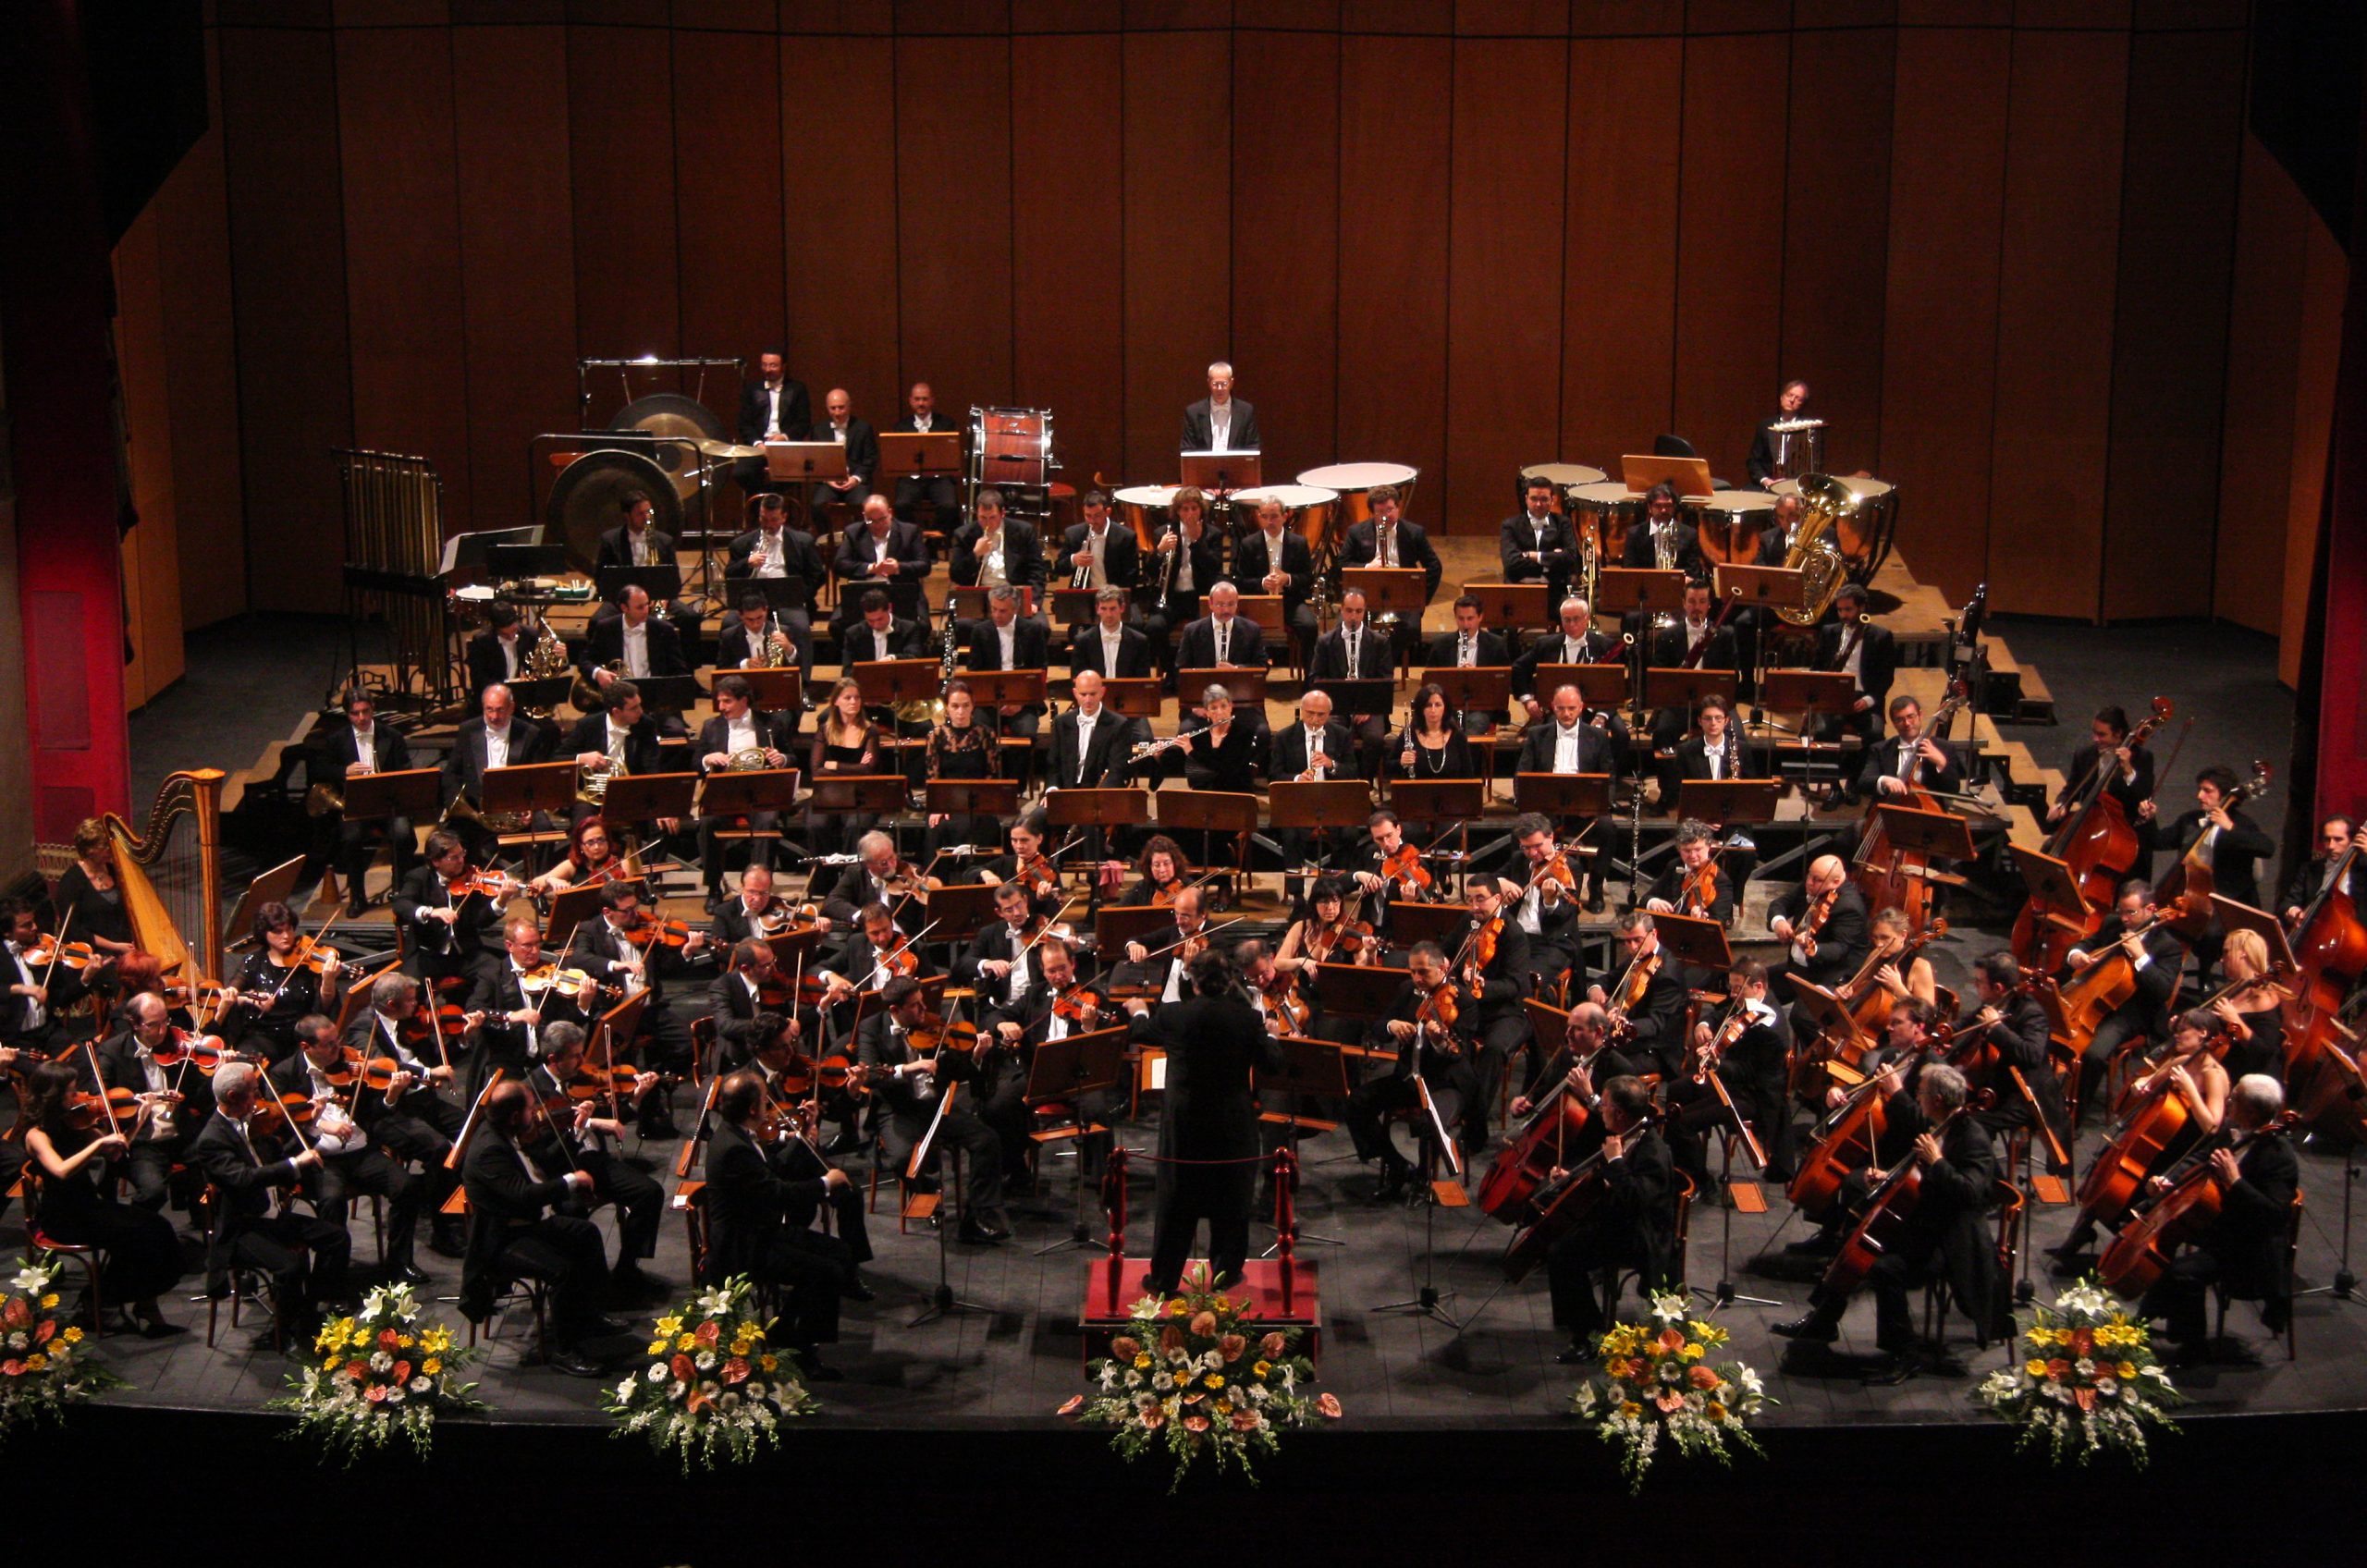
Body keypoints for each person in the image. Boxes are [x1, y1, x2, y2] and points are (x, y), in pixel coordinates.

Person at [1773, 1061, 2005, 1379]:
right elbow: (1921, 1178)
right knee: (1856, 1234)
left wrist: (1937, 1162)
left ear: (1937, 1099)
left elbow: (1970, 1194)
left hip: (1950, 1242)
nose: (1917, 1097)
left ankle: (1904, 1353)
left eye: (1921, 1093)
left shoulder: (1973, 1138)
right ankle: (1823, 1321)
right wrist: (1888, 1177)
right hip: (1924, 1225)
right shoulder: (1940, 1125)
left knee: (1885, 1268)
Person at [1123, 948, 1283, 1292]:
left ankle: (1164, 1278)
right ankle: (1226, 1274)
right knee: (1231, 1198)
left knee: (1176, 1201)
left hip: (1184, 1127)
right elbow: (1271, 1064)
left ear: (1194, 982)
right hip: (1232, 1125)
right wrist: (1272, 1033)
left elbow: (1141, 1033)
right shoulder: (1247, 1019)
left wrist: (1139, 1011)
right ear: (1228, 983)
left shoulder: (1174, 1016)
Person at [702, 1070, 864, 1380]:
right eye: (766, 1100)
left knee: (841, 1252)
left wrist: (803, 1135)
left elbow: (773, 1170)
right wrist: (825, 1183)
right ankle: (803, 1352)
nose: (770, 1106)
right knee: (825, 1271)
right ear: (753, 1108)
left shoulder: (738, 1133)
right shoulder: (734, 1148)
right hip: (742, 1245)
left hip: (762, 1230)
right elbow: (778, 1194)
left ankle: (786, 1328)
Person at [2137, 1073, 2299, 1366]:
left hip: (2249, 1246)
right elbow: (2198, 1159)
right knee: (2162, 1246)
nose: (2228, 1100)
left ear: (2252, 1112)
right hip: (2221, 1224)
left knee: (2182, 1273)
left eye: (2234, 1098)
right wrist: (2168, 1182)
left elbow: (2273, 1216)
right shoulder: (2233, 1130)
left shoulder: (2279, 1156)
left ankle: (2193, 1348)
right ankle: (2149, 1322)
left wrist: (2235, 1182)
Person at [457, 1078, 613, 1377]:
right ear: (515, 1116)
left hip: (528, 1222)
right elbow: (524, 1195)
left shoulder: (506, 1133)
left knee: (587, 1234)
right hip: (503, 1239)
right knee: (563, 1270)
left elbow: (543, 1163)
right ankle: (564, 1351)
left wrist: (575, 1132)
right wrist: (572, 1180)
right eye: (531, 1109)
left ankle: (590, 1315)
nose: (536, 1113)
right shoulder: (490, 1150)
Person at [19, 1060, 186, 1335]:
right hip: (63, 1217)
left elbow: (116, 1152)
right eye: (72, 1092)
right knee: (136, 1237)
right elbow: (61, 1170)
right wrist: (97, 1143)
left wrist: (141, 1117)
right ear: (53, 1095)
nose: (79, 1097)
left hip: (89, 1205)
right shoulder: (36, 1135)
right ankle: (103, 1299)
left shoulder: (77, 1122)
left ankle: (140, 1301)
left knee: (158, 1227)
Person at [193, 1061, 352, 1345]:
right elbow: (244, 1179)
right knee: (290, 1267)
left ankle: (310, 1308)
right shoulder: (212, 1139)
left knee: (337, 1238)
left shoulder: (251, 1122)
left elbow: (281, 1158)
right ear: (233, 1097)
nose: (259, 1097)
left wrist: (309, 1126)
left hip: (273, 1216)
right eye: (253, 1092)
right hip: (243, 1228)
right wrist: (295, 1164)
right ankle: (282, 1330)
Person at [268, 1014, 428, 1283]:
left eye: (338, 1040)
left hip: (360, 1151)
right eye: (329, 1044)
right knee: (332, 1201)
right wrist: (319, 1124)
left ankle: (400, 1263)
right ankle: (332, 1280)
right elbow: (280, 1120)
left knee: (407, 1186)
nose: (338, 1049)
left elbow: (374, 1112)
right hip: (321, 1159)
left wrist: (390, 1096)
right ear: (306, 1047)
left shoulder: (351, 1065)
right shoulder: (283, 1073)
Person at [519, 1021, 668, 1305]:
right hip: (563, 1168)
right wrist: (579, 1127)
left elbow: (613, 1118)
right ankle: (587, 1290)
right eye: (575, 1055)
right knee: (573, 1214)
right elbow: (543, 1153)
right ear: (554, 1058)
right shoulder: (532, 1092)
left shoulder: (579, 1080)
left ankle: (627, 1269)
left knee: (650, 1192)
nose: (582, 1062)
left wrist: (636, 1098)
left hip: (594, 1159)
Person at [856, 975, 1012, 1243]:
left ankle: (980, 1214)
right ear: (895, 1010)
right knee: (902, 1159)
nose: (924, 1009)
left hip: (936, 1105)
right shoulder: (872, 1028)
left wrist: (975, 1056)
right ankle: (927, 1190)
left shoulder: (934, 1026)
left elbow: (957, 1071)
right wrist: (907, 1068)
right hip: (898, 1109)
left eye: (922, 1002)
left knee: (987, 1140)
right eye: (915, 1005)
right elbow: (869, 1075)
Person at [1546, 1073, 1676, 1361]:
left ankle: (1589, 1338)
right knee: (1559, 1239)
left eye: (1603, 1105)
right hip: (1620, 1220)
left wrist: (1615, 1161)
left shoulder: (1653, 1151)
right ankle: (1573, 1318)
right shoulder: (1630, 1134)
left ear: (1618, 1113)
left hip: (1641, 1236)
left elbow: (1636, 1199)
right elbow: (1608, 1181)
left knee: (1563, 1254)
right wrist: (1571, 1178)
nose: (1599, 1109)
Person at [344, 971, 471, 1256]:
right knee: (440, 1150)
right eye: (411, 1000)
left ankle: (442, 1194)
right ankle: (443, 1228)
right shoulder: (363, 1028)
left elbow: (439, 1060)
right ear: (392, 1004)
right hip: (389, 1109)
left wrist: (462, 1039)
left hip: (421, 1100)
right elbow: (381, 1067)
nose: (417, 1005)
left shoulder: (409, 1022)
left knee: (472, 1130)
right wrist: (427, 1073)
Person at [569, 883, 707, 1137]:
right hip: (616, 1011)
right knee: (620, 1064)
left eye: (635, 907)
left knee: (690, 1043)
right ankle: (635, 1112)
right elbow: (579, 958)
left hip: (649, 1007)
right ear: (608, 912)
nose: (635, 914)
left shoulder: (645, 926)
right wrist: (616, 965)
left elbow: (666, 967)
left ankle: (659, 1082)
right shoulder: (591, 929)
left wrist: (687, 951)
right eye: (627, 911)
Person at [1345, 942, 1470, 1201]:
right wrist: (1391, 1025)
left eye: (1423, 972)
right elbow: (1379, 1026)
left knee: (1429, 1121)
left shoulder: (1464, 1001)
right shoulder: (1407, 990)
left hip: (1445, 1083)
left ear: (1443, 968)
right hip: (1409, 1078)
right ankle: (1398, 1166)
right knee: (1356, 1102)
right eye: (1413, 971)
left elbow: (1460, 1054)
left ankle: (1424, 1180)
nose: (1417, 978)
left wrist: (1440, 1042)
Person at [2062, 879, 2187, 1125]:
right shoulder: (2113, 924)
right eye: (2121, 911)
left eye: (2131, 912)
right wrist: (2076, 956)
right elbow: (2085, 944)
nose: (2125, 919)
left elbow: (2162, 990)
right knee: (2053, 1022)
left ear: (2150, 909)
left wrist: (2141, 957)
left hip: (2130, 1013)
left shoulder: (2167, 946)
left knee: (2094, 1054)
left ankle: (2074, 1119)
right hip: (2094, 997)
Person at [1668, 962, 1790, 1186]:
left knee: (1682, 1123)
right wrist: (1703, 1025)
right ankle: (1676, 1165)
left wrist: (1717, 1063)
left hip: (1753, 1096)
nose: (1732, 994)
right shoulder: (1749, 1003)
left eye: (1737, 988)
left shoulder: (1769, 1028)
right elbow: (1721, 1014)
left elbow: (1749, 1073)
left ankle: (1699, 1182)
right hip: (1730, 1081)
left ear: (1758, 986)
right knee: (1676, 1089)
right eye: (1731, 987)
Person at [464, 917, 603, 1094]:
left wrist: (583, 1004)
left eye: (538, 944)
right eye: (527, 946)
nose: (535, 951)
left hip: (543, 1062)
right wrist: (512, 1016)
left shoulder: (552, 973)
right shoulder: (493, 974)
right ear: (509, 945)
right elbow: (475, 1009)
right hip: (507, 1059)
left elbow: (565, 1023)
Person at [310, 690, 415, 916]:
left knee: (404, 835)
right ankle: (358, 897)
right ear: (347, 714)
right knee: (351, 839)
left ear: (373, 709)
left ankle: (400, 888)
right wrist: (344, 771)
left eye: (366, 711)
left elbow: (406, 769)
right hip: (355, 806)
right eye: (355, 713)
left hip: (388, 804)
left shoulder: (392, 736)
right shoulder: (337, 740)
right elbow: (319, 769)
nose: (361, 718)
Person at [1955, 949, 2069, 1159]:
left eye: (1979, 981)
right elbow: (1965, 1024)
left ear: (1998, 988)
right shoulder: (1993, 1002)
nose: (1975, 985)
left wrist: (1997, 1028)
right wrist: (1943, 1036)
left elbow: (2031, 1055)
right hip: (1991, 1084)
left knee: (1969, 1123)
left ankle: (1981, 1168)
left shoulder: (2032, 1013)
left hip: (2022, 1095)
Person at [694, 673, 792, 903]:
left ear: (744, 700)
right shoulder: (711, 726)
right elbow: (696, 761)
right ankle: (714, 888)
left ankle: (760, 889)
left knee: (768, 822)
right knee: (707, 823)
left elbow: (792, 756)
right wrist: (708, 759)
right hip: (725, 795)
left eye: (727, 701)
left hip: (761, 794)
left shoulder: (770, 724)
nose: (721, 707)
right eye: (719, 701)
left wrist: (782, 759)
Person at [722, 494, 825, 680]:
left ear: (784, 517)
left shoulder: (803, 541)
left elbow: (817, 574)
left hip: (788, 601)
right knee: (729, 623)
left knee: (800, 627)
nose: (768, 525)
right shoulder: (741, 544)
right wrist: (747, 563)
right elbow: (729, 574)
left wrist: (801, 595)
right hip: (752, 601)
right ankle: (733, 679)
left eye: (774, 520)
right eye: (764, 519)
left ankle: (802, 684)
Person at [224, 901, 341, 1063]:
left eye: (289, 929)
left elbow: (324, 1008)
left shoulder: (308, 963)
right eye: (278, 931)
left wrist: (328, 980)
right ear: (264, 933)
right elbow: (230, 996)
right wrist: (250, 997)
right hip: (262, 1035)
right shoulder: (253, 961)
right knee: (245, 1062)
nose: (286, 936)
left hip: (300, 1036)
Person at [439, 683, 553, 849]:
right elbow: (451, 774)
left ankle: (540, 868)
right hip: (476, 807)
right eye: (489, 709)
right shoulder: (468, 730)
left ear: (511, 708)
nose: (494, 716)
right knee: (450, 839)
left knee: (545, 829)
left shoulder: (530, 733)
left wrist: (530, 807)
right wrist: (461, 806)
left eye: (500, 710)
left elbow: (538, 777)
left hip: (516, 806)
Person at [395, 830, 509, 995]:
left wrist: (501, 901)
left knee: (497, 972)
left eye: (462, 854)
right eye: (454, 857)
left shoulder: (471, 878)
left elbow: (480, 921)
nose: (461, 860)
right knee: (406, 988)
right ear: (436, 861)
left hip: (464, 954)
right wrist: (430, 912)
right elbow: (401, 905)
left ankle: (479, 1008)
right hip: (428, 955)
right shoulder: (419, 877)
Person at [561, 678, 676, 834]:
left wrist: (660, 806)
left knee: (663, 826)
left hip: (632, 794)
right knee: (583, 823)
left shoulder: (646, 724)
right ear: (616, 711)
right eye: (634, 708)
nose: (641, 711)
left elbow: (652, 767)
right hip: (593, 799)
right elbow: (557, 757)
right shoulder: (588, 725)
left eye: (639, 704)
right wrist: (582, 758)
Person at [1338, 484, 1441, 655]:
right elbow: (1341, 564)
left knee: (1410, 629)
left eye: (1390, 509)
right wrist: (1367, 567)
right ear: (1372, 513)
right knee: (1344, 626)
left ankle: (1386, 663)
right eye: (1380, 512)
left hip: (1404, 597)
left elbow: (1434, 567)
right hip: (1368, 596)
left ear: (1398, 508)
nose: (1386, 516)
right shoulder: (1356, 532)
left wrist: (1420, 599)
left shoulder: (1414, 532)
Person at [1587, 912, 1688, 1078]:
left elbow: (1655, 1024)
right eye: (1627, 941)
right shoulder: (1637, 957)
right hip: (1629, 1037)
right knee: (1582, 1046)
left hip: (1654, 1049)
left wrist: (1623, 1024)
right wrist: (1595, 989)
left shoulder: (1668, 974)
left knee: (1601, 1063)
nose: (1633, 947)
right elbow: (1610, 978)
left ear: (1653, 934)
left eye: (1638, 940)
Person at [1306, 587, 1393, 775]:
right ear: (1341, 610)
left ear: (1365, 610)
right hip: (1337, 706)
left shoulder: (1379, 642)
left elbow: (1385, 679)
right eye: (1349, 611)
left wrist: (1367, 707)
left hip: (1369, 707)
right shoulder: (1325, 642)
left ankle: (1364, 783)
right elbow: (1315, 678)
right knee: (1331, 734)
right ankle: (1339, 780)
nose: (1354, 616)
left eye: (1359, 611)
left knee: (1375, 738)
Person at [1269, 688, 1358, 866]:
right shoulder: (1284, 737)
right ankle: (1296, 884)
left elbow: (1353, 771)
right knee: (1291, 836)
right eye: (1310, 714)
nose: (1315, 719)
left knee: (1350, 834)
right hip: (1298, 803)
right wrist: (1297, 779)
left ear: (1329, 713)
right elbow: (1274, 775)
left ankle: (1337, 880)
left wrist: (1331, 764)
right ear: (1302, 710)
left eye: (1321, 715)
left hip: (1332, 802)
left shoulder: (1342, 735)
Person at [1137, 486, 1225, 665]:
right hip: (1171, 598)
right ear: (1177, 511)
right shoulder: (1163, 533)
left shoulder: (1212, 534)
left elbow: (1214, 568)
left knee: (1207, 629)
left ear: (1201, 509)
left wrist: (1197, 542)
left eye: (1194, 508)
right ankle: (1171, 669)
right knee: (1154, 627)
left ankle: (1199, 671)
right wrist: (1160, 551)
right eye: (1185, 509)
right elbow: (1150, 572)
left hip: (1200, 597)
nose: (1190, 513)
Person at [806, 679, 891, 856]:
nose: (854, 702)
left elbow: (869, 770)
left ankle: (851, 869)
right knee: (816, 825)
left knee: (855, 825)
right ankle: (824, 870)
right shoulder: (824, 730)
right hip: (830, 792)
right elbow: (816, 771)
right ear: (836, 701)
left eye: (857, 697)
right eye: (848, 698)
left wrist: (834, 765)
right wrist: (856, 767)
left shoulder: (870, 731)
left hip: (861, 793)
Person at [921, 680, 1005, 859]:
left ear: (973, 706)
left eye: (966, 705)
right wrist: (939, 806)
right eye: (955, 706)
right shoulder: (935, 735)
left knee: (983, 824)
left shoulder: (986, 733)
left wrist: (981, 802)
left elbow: (992, 774)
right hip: (946, 800)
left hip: (977, 800)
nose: (961, 712)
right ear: (947, 707)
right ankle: (937, 876)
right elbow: (932, 777)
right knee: (937, 826)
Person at [1505, 813, 1585, 1001]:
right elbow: (1489, 881)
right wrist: (1501, 882)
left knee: (1527, 983)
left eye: (1537, 846)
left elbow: (1566, 914)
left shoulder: (1570, 867)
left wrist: (1551, 902)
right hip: (1517, 937)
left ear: (1551, 837)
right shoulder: (1519, 860)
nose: (1532, 853)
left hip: (1551, 942)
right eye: (1526, 847)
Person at [1233, 493, 1318, 665]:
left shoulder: (1299, 543)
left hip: (1290, 602)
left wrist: (1288, 579)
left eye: (1274, 516)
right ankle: (1250, 670)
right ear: (1259, 517)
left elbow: (1308, 578)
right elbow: (1240, 580)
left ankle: (1311, 674)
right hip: (1259, 602)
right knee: (1240, 627)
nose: (1269, 521)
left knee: (1309, 626)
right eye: (1264, 517)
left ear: (1284, 516)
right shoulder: (1249, 544)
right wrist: (1262, 583)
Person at [964, 584, 1052, 744]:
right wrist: (993, 701)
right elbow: (974, 672)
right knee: (979, 734)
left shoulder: (1033, 630)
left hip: (1024, 700)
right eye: (994, 609)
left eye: (1003, 611)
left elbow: (1040, 669)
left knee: (1026, 734)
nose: (997, 615)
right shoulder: (980, 631)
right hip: (989, 702)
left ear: (1015, 609)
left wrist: (1020, 702)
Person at [1814, 583, 1896, 748]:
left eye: (1848, 609)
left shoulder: (1881, 637)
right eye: (1840, 610)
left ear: (1862, 607)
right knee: (1823, 732)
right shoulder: (1829, 632)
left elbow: (1886, 676)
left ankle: (1867, 766)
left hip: (1865, 699)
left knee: (1874, 734)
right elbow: (1817, 668)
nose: (1843, 615)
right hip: (1834, 698)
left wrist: (1869, 700)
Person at [49, 818, 137, 968]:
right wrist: (116, 946)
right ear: (89, 850)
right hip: (95, 955)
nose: (110, 848)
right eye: (104, 846)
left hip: (125, 946)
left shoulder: (114, 871)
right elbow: (73, 931)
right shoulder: (71, 882)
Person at [950, 486, 1048, 615]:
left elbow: (1037, 571)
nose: (987, 523)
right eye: (983, 517)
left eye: (992, 517)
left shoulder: (1024, 531)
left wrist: (1033, 601)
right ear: (976, 514)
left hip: (1014, 595)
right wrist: (975, 555)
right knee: (965, 624)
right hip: (980, 597)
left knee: (1039, 625)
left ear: (1003, 513)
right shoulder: (963, 535)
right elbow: (956, 575)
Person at [2214, 928, 2289, 1084]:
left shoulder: (2265, 997)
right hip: (2220, 1066)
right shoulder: (2231, 988)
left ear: (2243, 953)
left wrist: (2235, 1021)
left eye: (2226, 952)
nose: (2221, 959)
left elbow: (2264, 1052)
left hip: (2246, 1077)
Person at [1856, 693, 1964, 802]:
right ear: (1893, 723)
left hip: (1927, 810)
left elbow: (1953, 790)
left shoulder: (1944, 748)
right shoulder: (1880, 749)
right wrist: (1883, 780)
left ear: (1920, 715)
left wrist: (1941, 762)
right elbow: (1863, 783)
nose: (1907, 723)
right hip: (1888, 808)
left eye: (1911, 717)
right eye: (1899, 720)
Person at [734, 347, 811, 495]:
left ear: (783, 367)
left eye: (773, 365)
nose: (767, 369)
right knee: (741, 473)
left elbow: (803, 423)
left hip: (786, 447)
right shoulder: (751, 389)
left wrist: (783, 437)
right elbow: (744, 424)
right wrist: (758, 444)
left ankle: (773, 501)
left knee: (791, 474)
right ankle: (763, 501)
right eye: (764, 365)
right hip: (759, 447)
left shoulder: (797, 389)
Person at [1048, 669, 1137, 793]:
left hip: (1100, 793)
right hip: (1065, 792)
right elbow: (1053, 765)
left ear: (1102, 692)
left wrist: (1096, 796)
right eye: (1083, 694)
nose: (1088, 700)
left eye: (1093, 694)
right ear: (1075, 693)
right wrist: (1052, 789)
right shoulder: (1061, 722)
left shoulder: (1119, 725)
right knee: (1042, 807)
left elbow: (1117, 771)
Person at [889, 380, 960, 527]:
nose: (921, 403)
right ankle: (913, 536)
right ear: (910, 401)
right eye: (917, 399)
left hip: (939, 479)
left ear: (932, 400)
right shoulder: (901, 427)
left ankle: (936, 538)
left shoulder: (946, 424)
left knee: (949, 506)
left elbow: (951, 455)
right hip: (911, 479)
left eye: (925, 399)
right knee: (901, 505)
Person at [1644, 817, 1736, 927]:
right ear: (1679, 849)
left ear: (1709, 847)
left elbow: (1719, 923)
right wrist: (1653, 902)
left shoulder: (1721, 881)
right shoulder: (1674, 866)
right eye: (1687, 850)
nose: (1692, 856)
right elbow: (1646, 898)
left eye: (1698, 849)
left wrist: (1701, 920)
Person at [1501, 474, 1579, 601]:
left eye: (1544, 499)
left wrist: (1532, 556)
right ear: (1526, 499)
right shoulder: (1510, 525)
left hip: (1555, 590)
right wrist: (1551, 562)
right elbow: (1511, 563)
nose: (1538, 504)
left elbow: (1571, 558)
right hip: (1518, 588)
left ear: (1552, 500)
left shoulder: (1563, 523)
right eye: (1534, 499)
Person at [805, 386, 878, 518]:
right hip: (829, 482)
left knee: (863, 505)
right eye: (833, 408)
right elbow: (814, 461)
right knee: (817, 505)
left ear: (849, 406)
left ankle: (857, 532)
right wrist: (827, 479)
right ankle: (826, 532)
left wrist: (855, 479)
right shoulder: (818, 429)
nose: (837, 412)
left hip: (855, 482)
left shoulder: (863, 428)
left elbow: (871, 459)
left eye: (841, 407)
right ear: (827, 408)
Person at [1177, 685, 1262, 796]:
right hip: (1205, 795)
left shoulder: (1244, 733)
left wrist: (1192, 753)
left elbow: (1228, 770)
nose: (1220, 712)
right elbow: (1192, 774)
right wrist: (1158, 757)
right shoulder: (1199, 736)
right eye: (1214, 708)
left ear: (1230, 707)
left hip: (1236, 794)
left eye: (1224, 706)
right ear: (1207, 712)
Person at [1174, 581, 1269, 679]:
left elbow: (1263, 666)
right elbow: (1181, 669)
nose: (1226, 610)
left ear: (1237, 603)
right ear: (1210, 604)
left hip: (1239, 685)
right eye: (1220, 604)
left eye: (1231, 604)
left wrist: (1237, 670)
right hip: (1204, 685)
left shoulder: (1252, 630)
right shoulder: (1192, 631)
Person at [1056, 489, 1139, 596]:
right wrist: (1074, 559)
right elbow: (1059, 568)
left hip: (1114, 596)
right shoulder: (1073, 534)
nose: (1092, 521)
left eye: (1097, 516)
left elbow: (1131, 576)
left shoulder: (1125, 537)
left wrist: (1114, 597)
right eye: (1088, 516)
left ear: (1107, 512)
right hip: (1084, 595)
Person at [2283, 814, 2358, 926]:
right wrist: (2293, 910)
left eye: (2338, 839)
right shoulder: (2310, 869)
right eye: (2327, 839)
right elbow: (2289, 902)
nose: (2331, 846)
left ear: (2352, 841)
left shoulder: (2363, 868)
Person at [1068, 586, 1156, 679]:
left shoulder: (1139, 641)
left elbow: (1143, 681)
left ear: (1122, 608)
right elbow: (1077, 680)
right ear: (1097, 609)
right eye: (1104, 609)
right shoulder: (1082, 641)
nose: (1109, 614)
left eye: (1113, 609)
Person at [1621, 484, 1702, 578]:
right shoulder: (1635, 534)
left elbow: (1693, 573)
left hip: (1679, 586)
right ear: (1649, 508)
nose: (1663, 510)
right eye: (1658, 506)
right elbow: (1629, 571)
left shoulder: (1689, 534)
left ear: (1674, 507)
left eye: (1668, 506)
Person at [1181, 361, 1259, 453]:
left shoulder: (1246, 411)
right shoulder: (1193, 413)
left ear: (1231, 383)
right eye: (1215, 384)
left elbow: (1253, 448)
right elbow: (1187, 450)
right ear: (1209, 383)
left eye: (1224, 384)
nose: (1219, 389)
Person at [1746, 379, 1811, 486]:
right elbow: (1753, 460)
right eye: (1790, 395)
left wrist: (1788, 482)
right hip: (1766, 484)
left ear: (1803, 404)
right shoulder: (1765, 425)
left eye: (1798, 398)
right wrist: (1765, 480)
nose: (1792, 400)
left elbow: (1810, 466)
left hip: (1794, 486)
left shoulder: (1809, 428)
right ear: (1782, 397)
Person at [464, 599, 530, 700]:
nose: (511, 637)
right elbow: (479, 681)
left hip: (522, 697)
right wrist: (505, 687)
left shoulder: (529, 635)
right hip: (494, 697)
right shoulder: (482, 642)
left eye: (513, 631)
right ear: (495, 629)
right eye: (505, 635)